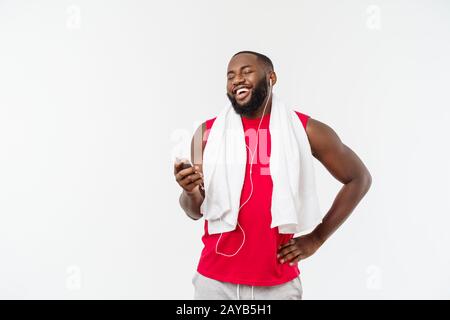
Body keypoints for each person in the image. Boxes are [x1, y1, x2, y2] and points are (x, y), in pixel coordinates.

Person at [174, 51, 372, 300]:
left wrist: (317, 238)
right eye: (230, 75)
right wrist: (189, 191)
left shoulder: (305, 130)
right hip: (214, 282)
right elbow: (194, 211)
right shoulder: (205, 134)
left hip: (276, 284)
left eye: (247, 71)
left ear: (271, 78)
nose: (237, 79)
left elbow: (359, 178)